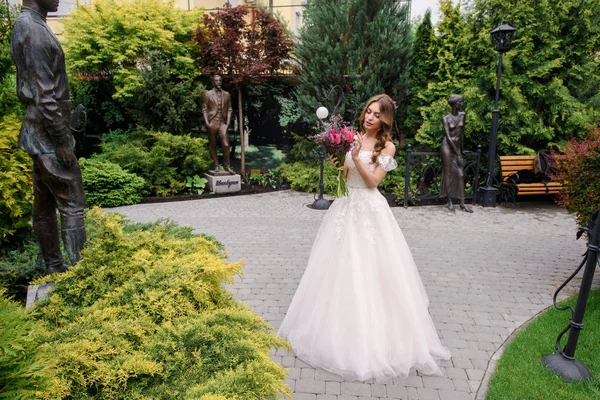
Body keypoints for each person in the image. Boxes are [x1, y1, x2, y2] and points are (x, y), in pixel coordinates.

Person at [278, 94, 451, 382]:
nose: (369, 117)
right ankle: (335, 330)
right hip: (346, 208)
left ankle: (379, 337)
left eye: (376, 114)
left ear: (385, 119)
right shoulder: (353, 137)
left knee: (373, 270)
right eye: (368, 112)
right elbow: (346, 176)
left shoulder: (389, 147)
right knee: (338, 268)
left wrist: (357, 156)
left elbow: (372, 182)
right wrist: (339, 159)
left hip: (370, 212)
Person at [10, 0, 87, 275]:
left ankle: (54, 267)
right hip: (47, 133)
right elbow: (45, 95)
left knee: (44, 203)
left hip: (39, 130)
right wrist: (62, 140)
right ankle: (82, 276)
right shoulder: (33, 30)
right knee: (72, 202)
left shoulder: (29, 25)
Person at [440, 94, 472, 212]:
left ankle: (463, 203)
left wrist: (461, 152)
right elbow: (448, 137)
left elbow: (461, 135)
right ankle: (449, 201)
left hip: (457, 147)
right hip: (447, 147)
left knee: (460, 174)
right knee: (448, 174)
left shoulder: (463, 115)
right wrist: (458, 154)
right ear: (454, 104)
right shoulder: (446, 118)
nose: (461, 104)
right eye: (460, 102)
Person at [202, 75, 234, 174]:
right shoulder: (207, 94)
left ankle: (227, 166)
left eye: (220, 80)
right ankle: (216, 166)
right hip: (212, 122)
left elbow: (229, 109)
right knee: (212, 145)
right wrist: (207, 123)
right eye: (216, 80)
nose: (219, 82)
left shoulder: (227, 94)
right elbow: (204, 109)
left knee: (226, 144)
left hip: (223, 122)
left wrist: (228, 122)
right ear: (213, 82)